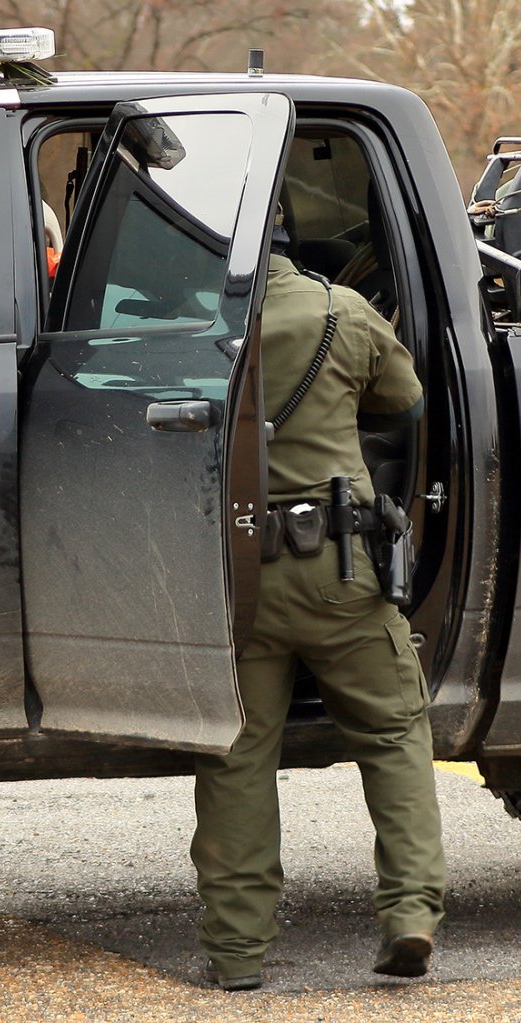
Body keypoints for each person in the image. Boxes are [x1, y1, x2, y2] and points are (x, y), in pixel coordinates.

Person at [190, 223, 446, 992]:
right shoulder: (343, 310)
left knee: (238, 758)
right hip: (340, 569)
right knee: (395, 729)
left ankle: (237, 954)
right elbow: (406, 399)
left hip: (239, 579)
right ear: (288, 243)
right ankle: (409, 915)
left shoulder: (198, 323)